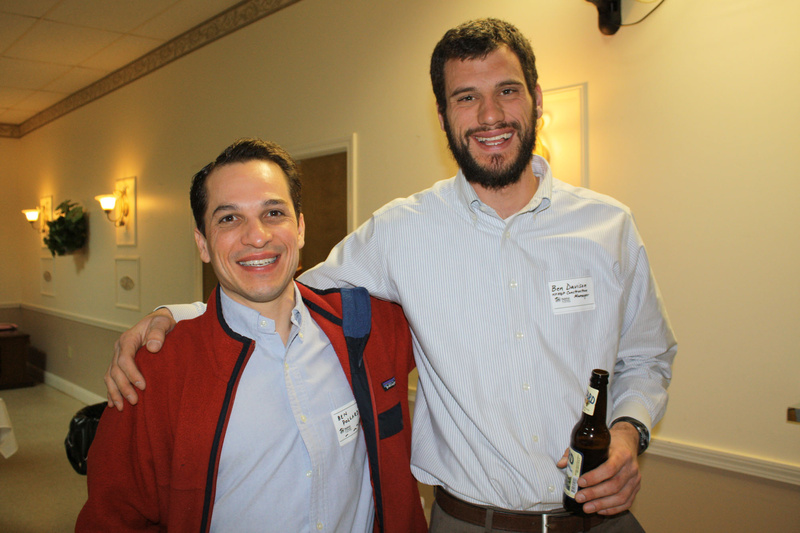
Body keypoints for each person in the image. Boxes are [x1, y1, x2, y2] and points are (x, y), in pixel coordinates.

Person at [107, 19, 676, 533]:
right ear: (443, 115)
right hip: (467, 521)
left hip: (601, 519)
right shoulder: (400, 233)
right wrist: (176, 316)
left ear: (537, 99)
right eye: (466, 97)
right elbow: (279, 285)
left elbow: (648, 357)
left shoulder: (609, 226)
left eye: (507, 90)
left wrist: (630, 430)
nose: (490, 115)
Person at [78, 139, 426, 532]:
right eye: (229, 219)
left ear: (300, 228)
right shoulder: (154, 372)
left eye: (273, 212)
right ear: (202, 244)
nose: (256, 236)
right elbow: (112, 517)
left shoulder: (368, 329)